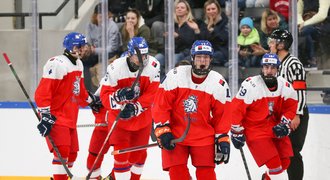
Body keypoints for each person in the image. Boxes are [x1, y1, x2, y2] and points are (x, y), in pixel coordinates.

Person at [152, 40, 231, 180]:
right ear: (192, 58)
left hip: (203, 136)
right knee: (178, 175)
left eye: (206, 57)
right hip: (175, 135)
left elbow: (222, 115)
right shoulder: (176, 75)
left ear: (211, 59)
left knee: (207, 175)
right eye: (199, 57)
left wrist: (222, 138)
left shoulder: (218, 83)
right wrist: (162, 129)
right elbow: (161, 105)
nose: (202, 61)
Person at [34, 32, 101, 180]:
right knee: (62, 152)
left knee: (72, 154)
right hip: (55, 117)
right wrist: (45, 115)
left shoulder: (78, 63)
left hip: (70, 117)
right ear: (72, 47)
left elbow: (79, 92)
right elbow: (42, 92)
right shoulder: (57, 63)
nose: (83, 49)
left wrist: (93, 101)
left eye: (84, 46)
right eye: (80, 46)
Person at [99, 37, 160, 179]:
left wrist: (136, 107)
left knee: (139, 156)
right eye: (138, 55)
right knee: (121, 156)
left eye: (145, 55)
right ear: (129, 54)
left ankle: (115, 177)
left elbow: (153, 93)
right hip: (120, 120)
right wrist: (118, 97)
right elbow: (104, 95)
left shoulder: (153, 65)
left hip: (142, 120)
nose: (142, 59)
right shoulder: (115, 67)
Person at [231, 53, 298, 179]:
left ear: (278, 69)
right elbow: (236, 109)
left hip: (274, 126)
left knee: (285, 162)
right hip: (255, 130)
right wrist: (236, 131)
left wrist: (284, 123)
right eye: (266, 67)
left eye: (272, 68)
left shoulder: (285, 86)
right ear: (262, 68)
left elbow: (290, 107)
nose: (269, 71)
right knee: (275, 166)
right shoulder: (251, 85)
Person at [268, 29, 309, 180]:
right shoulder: (275, 64)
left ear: (281, 45)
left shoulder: (294, 64)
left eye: (273, 41)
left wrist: (297, 115)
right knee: (278, 149)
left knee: (292, 151)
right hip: (282, 114)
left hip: (295, 115)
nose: (270, 44)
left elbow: (299, 91)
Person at [84, 3, 121, 92]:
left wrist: (95, 50)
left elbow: (112, 48)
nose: (102, 18)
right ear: (96, 16)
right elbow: (88, 41)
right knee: (82, 61)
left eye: (105, 16)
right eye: (100, 16)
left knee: (101, 68)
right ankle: (85, 92)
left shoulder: (112, 26)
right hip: (94, 53)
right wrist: (89, 48)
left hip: (109, 54)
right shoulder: (90, 25)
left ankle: (100, 93)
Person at [297, 0, 330, 70]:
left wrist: (304, 24)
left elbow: (322, 15)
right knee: (297, 32)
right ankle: (303, 60)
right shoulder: (301, 1)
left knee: (305, 31)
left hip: (324, 24)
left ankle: (311, 60)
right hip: (307, 25)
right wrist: (301, 23)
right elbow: (297, 13)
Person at [202, 0, 229, 66]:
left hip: (222, 52)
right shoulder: (203, 24)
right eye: (208, 9)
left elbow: (223, 39)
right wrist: (208, 29)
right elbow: (202, 40)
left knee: (210, 57)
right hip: (207, 51)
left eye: (213, 9)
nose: (211, 11)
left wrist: (213, 30)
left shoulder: (225, 21)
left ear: (218, 10)